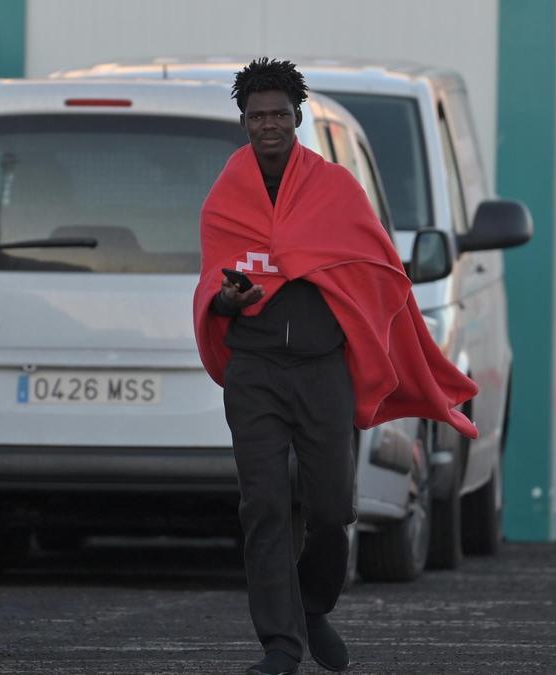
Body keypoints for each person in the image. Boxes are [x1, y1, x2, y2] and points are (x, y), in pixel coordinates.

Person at [191, 58, 479, 675]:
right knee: (263, 505)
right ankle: (281, 643)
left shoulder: (336, 188)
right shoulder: (226, 194)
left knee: (330, 510)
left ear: (297, 118)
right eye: (256, 116)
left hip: (324, 370)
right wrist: (225, 300)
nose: (267, 125)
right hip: (256, 368)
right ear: (243, 122)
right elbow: (213, 279)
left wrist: (320, 274)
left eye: (278, 115)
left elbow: (376, 268)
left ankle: (313, 605)